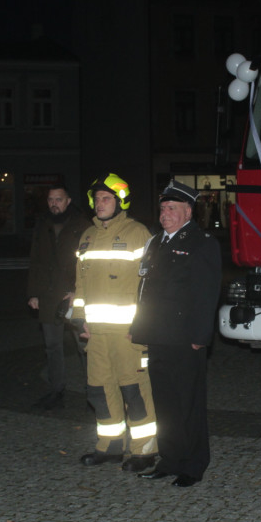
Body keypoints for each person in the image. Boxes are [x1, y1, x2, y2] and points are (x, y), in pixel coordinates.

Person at [131, 180, 221, 488]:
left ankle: (194, 465)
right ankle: (169, 459)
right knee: (164, 402)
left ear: (187, 211)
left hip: (185, 337)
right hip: (158, 335)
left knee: (189, 404)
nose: (164, 214)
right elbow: (144, 291)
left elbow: (206, 293)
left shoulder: (202, 242)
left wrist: (201, 335)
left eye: (171, 208)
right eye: (162, 208)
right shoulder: (156, 243)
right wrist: (139, 328)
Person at [71, 173, 157, 472]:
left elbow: (151, 286)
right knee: (99, 390)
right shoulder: (87, 237)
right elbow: (80, 285)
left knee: (134, 390)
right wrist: (79, 318)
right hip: (95, 333)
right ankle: (110, 446)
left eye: (106, 198)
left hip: (128, 333)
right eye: (96, 198)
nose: (99, 203)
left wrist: (144, 325)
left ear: (121, 201)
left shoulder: (138, 234)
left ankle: (144, 450)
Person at [26, 186, 90, 410]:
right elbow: (36, 260)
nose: (54, 203)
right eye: (51, 199)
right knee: (52, 347)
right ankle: (56, 390)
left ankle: (93, 390)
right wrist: (34, 293)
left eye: (59, 199)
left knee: (84, 346)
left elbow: (88, 262)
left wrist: (78, 291)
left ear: (68, 200)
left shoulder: (82, 225)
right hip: (48, 294)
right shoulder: (42, 224)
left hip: (74, 296)